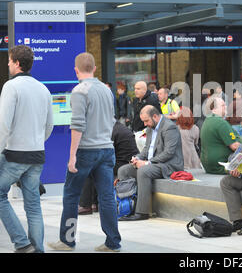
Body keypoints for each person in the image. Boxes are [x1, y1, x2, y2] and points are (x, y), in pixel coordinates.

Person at [48, 52, 121, 252]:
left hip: (87, 151)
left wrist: (72, 156)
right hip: (107, 149)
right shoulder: (107, 91)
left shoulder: (80, 91)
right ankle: (113, 242)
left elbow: (77, 126)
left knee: (71, 195)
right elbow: (112, 119)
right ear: (95, 68)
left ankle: (67, 240)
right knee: (106, 197)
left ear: (76, 70)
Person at [0, 45, 53, 253]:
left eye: (10, 60)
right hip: (37, 155)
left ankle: (21, 243)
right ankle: (37, 249)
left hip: (14, 155)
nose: (8, 63)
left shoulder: (11, 87)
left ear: (17, 64)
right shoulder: (43, 88)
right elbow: (49, 126)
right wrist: (37, 141)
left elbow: (4, 125)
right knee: (33, 206)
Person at [117, 105, 184, 221]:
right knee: (123, 170)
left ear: (155, 116)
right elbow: (146, 150)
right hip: (154, 164)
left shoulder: (170, 127)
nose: (145, 124)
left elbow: (169, 153)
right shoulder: (150, 128)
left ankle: (142, 212)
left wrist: (147, 163)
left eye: (146, 121)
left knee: (143, 171)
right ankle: (128, 207)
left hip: (169, 165)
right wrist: (136, 158)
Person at [78, 120, 140, 215]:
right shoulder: (118, 128)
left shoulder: (111, 131)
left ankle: (85, 205)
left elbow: (104, 153)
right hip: (126, 161)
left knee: (89, 170)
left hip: (123, 164)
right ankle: (95, 203)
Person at [200, 97, 242, 174]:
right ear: (213, 109)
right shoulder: (220, 122)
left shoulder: (208, 120)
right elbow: (235, 146)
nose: (226, 107)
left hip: (210, 166)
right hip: (222, 166)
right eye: (222, 105)